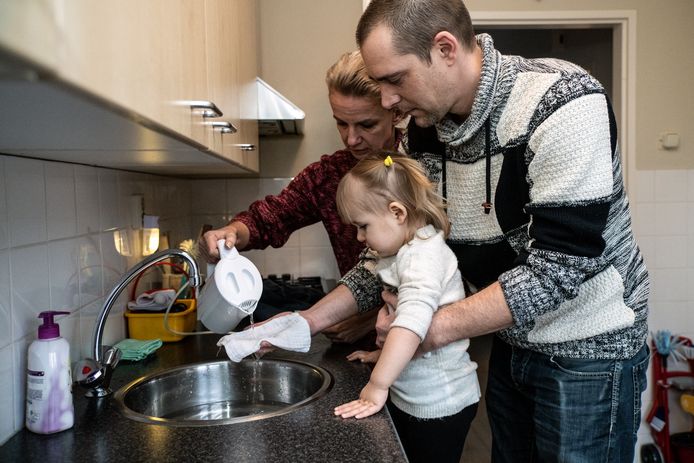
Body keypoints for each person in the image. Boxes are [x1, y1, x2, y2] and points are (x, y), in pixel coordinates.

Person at [353, 1, 650, 462]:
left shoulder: (563, 100)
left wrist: (420, 328)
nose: (388, 100)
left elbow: (559, 269)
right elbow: (402, 239)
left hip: (590, 350)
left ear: (445, 48)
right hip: (512, 340)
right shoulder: (424, 128)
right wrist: (309, 320)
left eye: (395, 79)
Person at [199, 50, 403, 343]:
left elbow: (449, 271)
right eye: (341, 123)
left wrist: (370, 318)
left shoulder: (422, 169)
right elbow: (271, 217)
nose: (351, 139)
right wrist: (231, 233)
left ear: (395, 111)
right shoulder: (328, 176)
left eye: (366, 125)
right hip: (358, 343)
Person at [332, 152, 479, 463]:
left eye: (363, 226)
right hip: (419, 397)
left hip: (438, 403)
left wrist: (377, 384)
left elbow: (411, 325)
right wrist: (379, 356)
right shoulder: (407, 251)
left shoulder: (422, 257)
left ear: (397, 213)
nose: (359, 237)